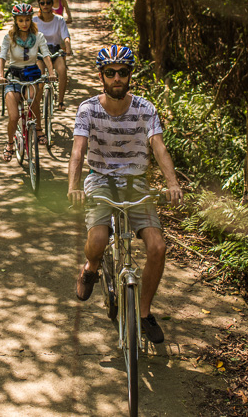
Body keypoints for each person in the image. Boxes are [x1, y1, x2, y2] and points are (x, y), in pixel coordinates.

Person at [67, 45, 183, 344]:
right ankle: (91, 268)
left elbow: (158, 147)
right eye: (110, 73)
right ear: (101, 76)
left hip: (136, 182)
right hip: (101, 179)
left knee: (157, 247)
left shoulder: (145, 108)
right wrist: (74, 186)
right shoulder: (88, 109)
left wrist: (172, 183)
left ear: (131, 75)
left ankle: (143, 314)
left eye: (123, 72)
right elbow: (78, 151)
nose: (117, 78)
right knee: (97, 241)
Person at [0, 4, 58, 161]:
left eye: (27, 20)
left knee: (33, 99)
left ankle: (37, 129)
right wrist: (1, 74)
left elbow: (46, 55)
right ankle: (10, 143)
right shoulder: (9, 37)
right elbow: (2, 57)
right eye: (21, 20)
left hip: (30, 75)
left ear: (32, 20)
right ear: (16, 21)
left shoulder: (38, 36)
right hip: (13, 78)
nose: (24, 23)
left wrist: (51, 72)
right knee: (14, 116)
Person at [34, 0, 72, 111]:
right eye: (42, 3)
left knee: (62, 71)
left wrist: (68, 47)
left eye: (48, 3)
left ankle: (60, 101)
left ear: (52, 4)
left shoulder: (59, 20)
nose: (45, 5)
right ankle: (37, 104)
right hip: (40, 52)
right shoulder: (34, 20)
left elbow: (65, 36)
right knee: (39, 77)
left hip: (55, 50)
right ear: (39, 4)